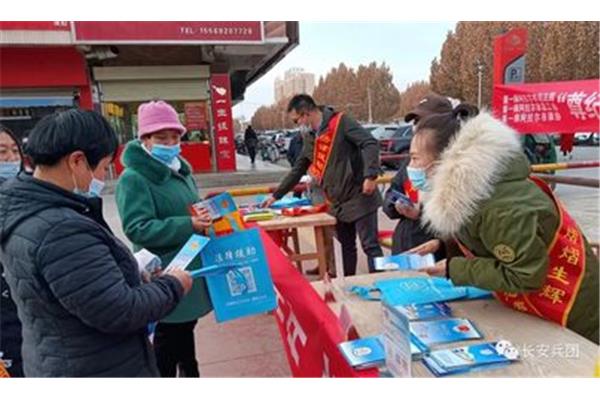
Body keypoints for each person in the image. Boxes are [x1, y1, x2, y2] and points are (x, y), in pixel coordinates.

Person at [0, 109, 192, 377]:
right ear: (77, 161)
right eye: (103, 167)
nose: (103, 177)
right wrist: (174, 285)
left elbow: (82, 288)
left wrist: (130, 275)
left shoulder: (24, 209)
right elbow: (120, 311)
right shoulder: (61, 229)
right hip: (96, 365)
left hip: (59, 357)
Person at [407, 103, 599, 344]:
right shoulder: (481, 189)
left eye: (415, 158)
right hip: (542, 307)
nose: (410, 167)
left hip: (573, 314)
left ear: (442, 163)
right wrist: (441, 244)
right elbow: (492, 239)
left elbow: (526, 275)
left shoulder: (501, 209)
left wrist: (453, 269)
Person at [116, 100, 213, 377]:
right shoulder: (134, 178)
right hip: (164, 272)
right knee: (167, 342)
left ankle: (191, 374)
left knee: (184, 333)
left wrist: (203, 213)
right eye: (161, 137)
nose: (170, 142)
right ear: (144, 139)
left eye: (175, 136)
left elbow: (187, 208)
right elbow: (138, 228)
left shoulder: (179, 170)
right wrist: (189, 224)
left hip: (189, 268)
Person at [262, 94, 383, 276]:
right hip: (337, 200)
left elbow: (369, 143)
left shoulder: (341, 122)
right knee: (347, 246)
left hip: (360, 194)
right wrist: (276, 195)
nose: (297, 125)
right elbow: (298, 168)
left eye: (296, 120)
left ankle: (383, 285)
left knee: (370, 246)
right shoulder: (311, 137)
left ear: (305, 114)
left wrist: (370, 175)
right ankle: (349, 285)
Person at [383, 95, 452, 257]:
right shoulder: (412, 161)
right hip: (405, 244)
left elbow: (459, 230)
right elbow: (391, 194)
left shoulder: (457, 172)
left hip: (435, 256)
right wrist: (397, 206)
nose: (416, 127)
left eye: (422, 121)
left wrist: (420, 214)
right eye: (415, 122)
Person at [0, 125, 25, 377]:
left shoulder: (25, 194)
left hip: (25, 316)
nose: (11, 159)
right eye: (2, 153)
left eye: (15, 151)